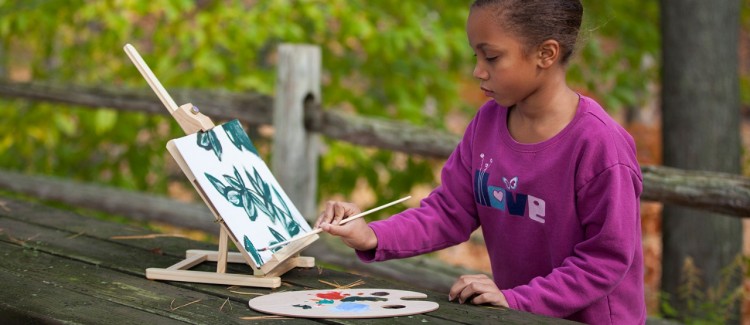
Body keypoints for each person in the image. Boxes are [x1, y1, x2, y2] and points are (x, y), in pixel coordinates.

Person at [314, 0, 645, 323]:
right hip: (516, 315)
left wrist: (518, 300)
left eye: (492, 57)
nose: (477, 70)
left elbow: (604, 260)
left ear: (546, 54)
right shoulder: (487, 123)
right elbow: (449, 212)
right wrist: (372, 234)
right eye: (477, 55)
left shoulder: (599, 145)